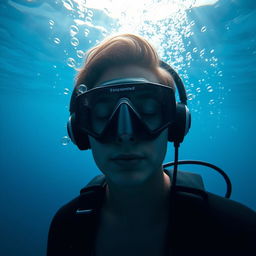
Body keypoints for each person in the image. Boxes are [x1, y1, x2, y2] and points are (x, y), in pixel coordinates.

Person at [47, 34, 256, 256]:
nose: (125, 134)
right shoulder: (65, 226)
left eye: (148, 111)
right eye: (102, 113)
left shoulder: (240, 231)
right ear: (80, 130)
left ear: (175, 123)